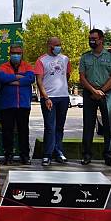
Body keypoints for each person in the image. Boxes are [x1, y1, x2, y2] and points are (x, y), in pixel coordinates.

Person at [79, 29, 111, 166]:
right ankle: (86, 154)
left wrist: (101, 90)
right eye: (90, 38)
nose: (91, 40)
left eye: (94, 38)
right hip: (89, 93)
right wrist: (93, 91)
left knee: (108, 124)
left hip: (107, 93)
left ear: (101, 39)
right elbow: (82, 77)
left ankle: (108, 155)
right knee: (88, 124)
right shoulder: (85, 57)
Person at [35, 37, 71, 166]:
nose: (59, 47)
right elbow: (39, 81)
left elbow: (67, 75)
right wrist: (46, 97)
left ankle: (59, 152)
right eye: (56, 45)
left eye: (60, 45)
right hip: (49, 98)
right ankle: (47, 154)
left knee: (60, 127)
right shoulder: (41, 60)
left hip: (63, 97)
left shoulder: (65, 59)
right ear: (49, 45)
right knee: (50, 127)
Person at [0, 44, 35, 165]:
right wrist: (19, 77)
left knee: (23, 131)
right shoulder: (3, 66)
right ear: (9, 54)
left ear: (22, 53)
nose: (16, 55)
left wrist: (12, 81)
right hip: (7, 105)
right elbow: (2, 78)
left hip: (23, 104)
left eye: (18, 53)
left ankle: (24, 156)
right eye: (14, 53)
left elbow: (30, 79)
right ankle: (8, 156)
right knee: (7, 131)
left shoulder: (27, 65)